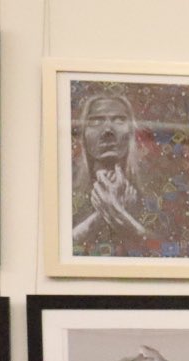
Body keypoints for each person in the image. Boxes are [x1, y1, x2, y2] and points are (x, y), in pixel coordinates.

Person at [71, 93, 152, 251]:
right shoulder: (67, 193)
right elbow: (56, 248)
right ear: (83, 135)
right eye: (96, 121)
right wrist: (112, 210)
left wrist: (112, 209)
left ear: (131, 132)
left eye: (119, 120)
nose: (108, 130)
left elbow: (165, 248)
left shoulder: (154, 194)